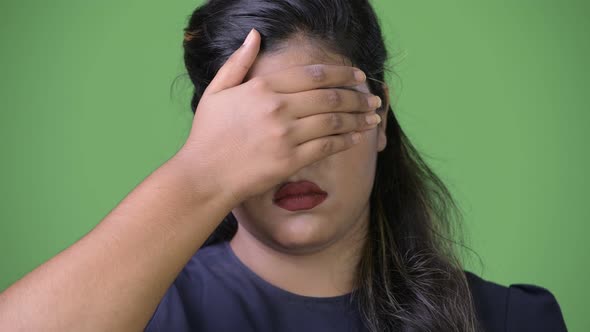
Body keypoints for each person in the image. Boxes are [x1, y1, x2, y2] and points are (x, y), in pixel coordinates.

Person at [0, 0, 567, 331]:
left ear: (381, 116)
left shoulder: (509, 319)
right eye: (258, 129)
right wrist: (199, 175)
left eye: (322, 119)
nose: (292, 160)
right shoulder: (137, 312)